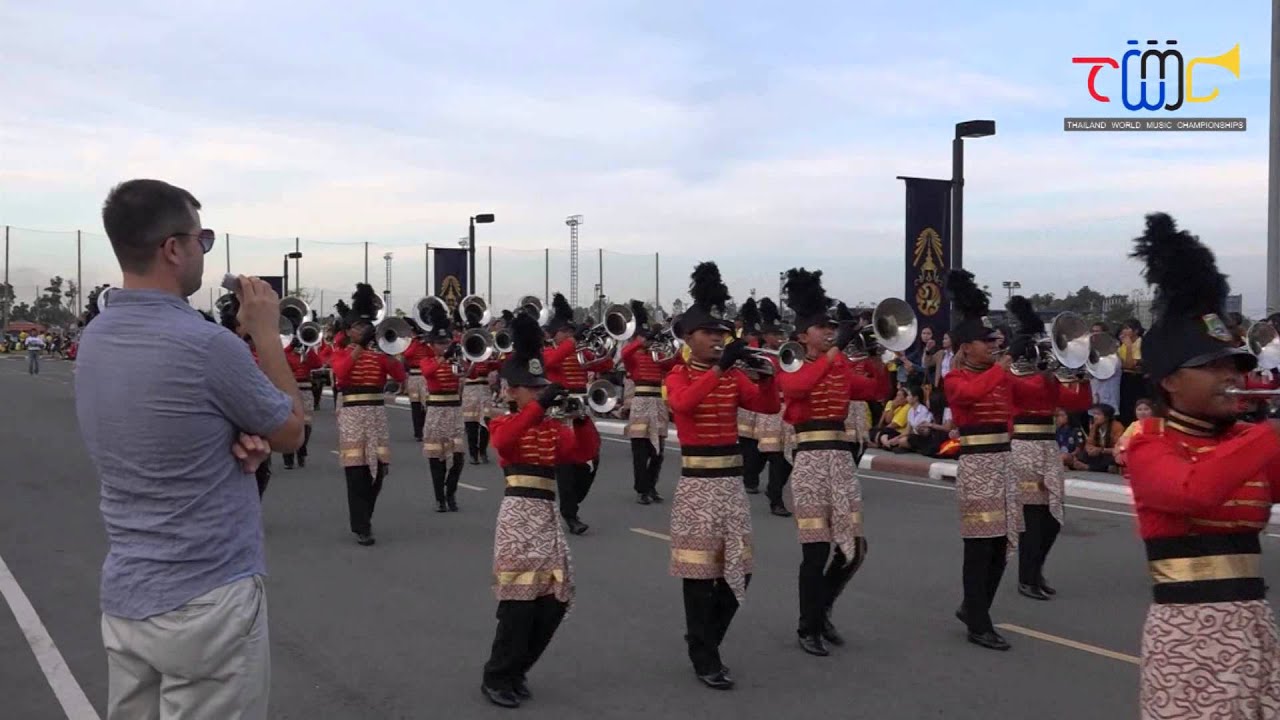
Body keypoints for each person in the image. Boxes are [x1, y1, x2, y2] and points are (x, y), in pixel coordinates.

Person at [75, 179, 305, 719]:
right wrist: (266, 334)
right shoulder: (207, 344)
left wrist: (226, 437)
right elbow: (291, 430)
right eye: (202, 240)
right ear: (173, 249)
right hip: (206, 598)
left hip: (129, 594)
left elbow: (164, 426)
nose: (205, 252)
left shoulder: (97, 337)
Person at [1125, 211, 1280, 717]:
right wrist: (1269, 432)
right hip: (1189, 640)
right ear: (1169, 380)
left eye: (1234, 365)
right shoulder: (1149, 444)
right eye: (1212, 367)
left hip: (1255, 628)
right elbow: (1194, 491)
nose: (1229, 376)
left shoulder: (1248, 439)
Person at [665, 262, 780, 689]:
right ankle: (705, 655)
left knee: (740, 570)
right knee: (699, 575)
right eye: (709, 333)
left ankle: (705, 640)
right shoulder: (678, 374)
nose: (717, 339)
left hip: (731, 485)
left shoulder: (732, 375)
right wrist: (719, 370)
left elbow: (767, 407)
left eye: (721, 333)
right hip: (698, 485)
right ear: (688, 337)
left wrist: (766, 379)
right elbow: (683, 405)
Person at [778, 267, 889, 656]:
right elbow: (798, 387)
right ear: (802, 335)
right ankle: (807, 625)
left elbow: (875, 390)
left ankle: (822, 608)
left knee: (854, 547)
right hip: (810, 460)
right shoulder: (790, 363)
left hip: (840, 460)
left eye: (831, 327)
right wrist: (834, 354)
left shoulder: (838, 364)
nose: (829, 332)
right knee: (816, 551)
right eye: (822, 328)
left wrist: (876, 358)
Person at [480, 313, 588, 708]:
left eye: (542, 387)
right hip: (518, 515)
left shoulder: (550, 427)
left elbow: (581, 453)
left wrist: (582, 419)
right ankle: (497, 676)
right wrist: (539, 407)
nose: (540, 393)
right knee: (518, 603)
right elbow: (504, 443)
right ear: (512, 392)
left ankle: (518, 668)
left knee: (553, 599)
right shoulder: (504, 422)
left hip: (545, 516)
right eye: (532, 388)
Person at [943, 268, 1017, 651]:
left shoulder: (1000, 374)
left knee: (1002, 545)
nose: (992, 346)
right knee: (979, 546)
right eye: (985, 341)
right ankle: (978, 622)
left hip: (1004, 462)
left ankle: (974, 608)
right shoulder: (955, 378)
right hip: (977, 464)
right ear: (966, 347)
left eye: (993, 340)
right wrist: (1001, 370)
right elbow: (970, 396)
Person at [1004, 296, 1092, 602]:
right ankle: (1026, 578)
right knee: (1033, 518)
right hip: (1024, 448)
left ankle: (1036, 570)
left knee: (1053, 517)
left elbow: (1078, 402)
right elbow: (1022, 391)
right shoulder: (1013, 377)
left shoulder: (1048, 378)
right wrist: (1046, 371)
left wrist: (1081, 375)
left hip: (1048, 447)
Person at [330, 283, 408, 545]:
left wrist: (389, 351)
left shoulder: (379, 355)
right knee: (356, 471)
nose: (363, 330)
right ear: (348, 331)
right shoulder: (340, 353)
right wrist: (359, 348)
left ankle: (365, 517)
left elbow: (400, 376)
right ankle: (361, 526)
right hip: (353, 414)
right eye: (358, 327)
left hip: (376, 415)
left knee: (379, 470)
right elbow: (341, 373)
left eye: (366, 327)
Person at [543, 293, 606, 535]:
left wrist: (600, 345)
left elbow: (606, 365)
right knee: (566, 465)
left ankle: (572, 503)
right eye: (565, 332)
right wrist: (573, 342)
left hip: (580, 409)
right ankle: (570, 514)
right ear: (553, 334)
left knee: (592, 457)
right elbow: (552, 362)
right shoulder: (547, 351)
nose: (569, 335)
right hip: (560, 411)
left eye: (571, 331)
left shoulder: (578, 350)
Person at [621, 299, 679, 504]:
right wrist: (640, 342)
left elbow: (675, 363)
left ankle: (651, 486)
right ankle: (641, 489)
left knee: (658, 451)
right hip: (641, 403)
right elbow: (625, 353)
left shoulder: (658, 354)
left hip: (657, 403)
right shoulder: (633, 355)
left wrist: (674, 345)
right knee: (640, 452)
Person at [419, 300, 467, 513]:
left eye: (447, 342)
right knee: (436, 458)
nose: (444, 346)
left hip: (455, 410)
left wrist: (465, 360)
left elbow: (471, 374)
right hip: (436, 411)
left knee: (458, 457)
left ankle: (451, 492)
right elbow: (428, 373)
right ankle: (440, 497)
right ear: (432, 345)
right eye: (440, 343)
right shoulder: (428, 360)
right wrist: (443, 358)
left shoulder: (455, 360)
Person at [282, 335, 323, 470]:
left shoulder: (307, 355)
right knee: (288, 423)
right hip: (289, 390)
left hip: (305, 390)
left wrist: (309, 348)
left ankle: (301, 450)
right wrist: (290, 347)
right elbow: (280, 360)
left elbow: (318, 364)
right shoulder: (287, 354)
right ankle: (288, 457)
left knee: (306, 424)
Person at [401, 319, 434, 441]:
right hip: (414, 377)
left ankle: (426, 430)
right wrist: (416, 342)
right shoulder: (408, 343)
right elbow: (407, 354)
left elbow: (432, 355)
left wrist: (426, 343)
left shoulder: (425, 344)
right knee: (415, 406)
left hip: (425, 376)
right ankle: (418, 433)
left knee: (426, 405)